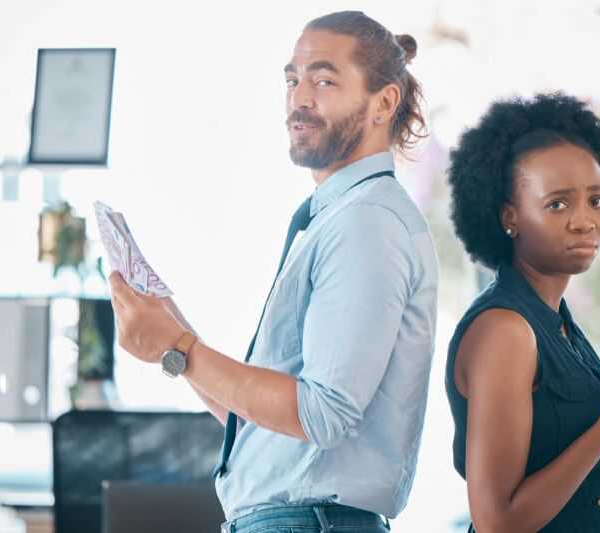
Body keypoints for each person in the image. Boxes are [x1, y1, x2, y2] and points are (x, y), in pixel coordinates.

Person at [109, 11, 438, 533]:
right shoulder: (341, 217)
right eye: (293, 79)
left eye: (324, 80)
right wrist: (171, 338)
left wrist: (181, 348)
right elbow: (272, 432)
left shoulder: (366, 222)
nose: (300, 97)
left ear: (384, 103)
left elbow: (321, 415)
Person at [445, 93, 600, 533]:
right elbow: (497, 522)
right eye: (557, 204)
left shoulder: (561, 328)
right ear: (508, 218)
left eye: (596, 200)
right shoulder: (506, 330)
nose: (585, 221)